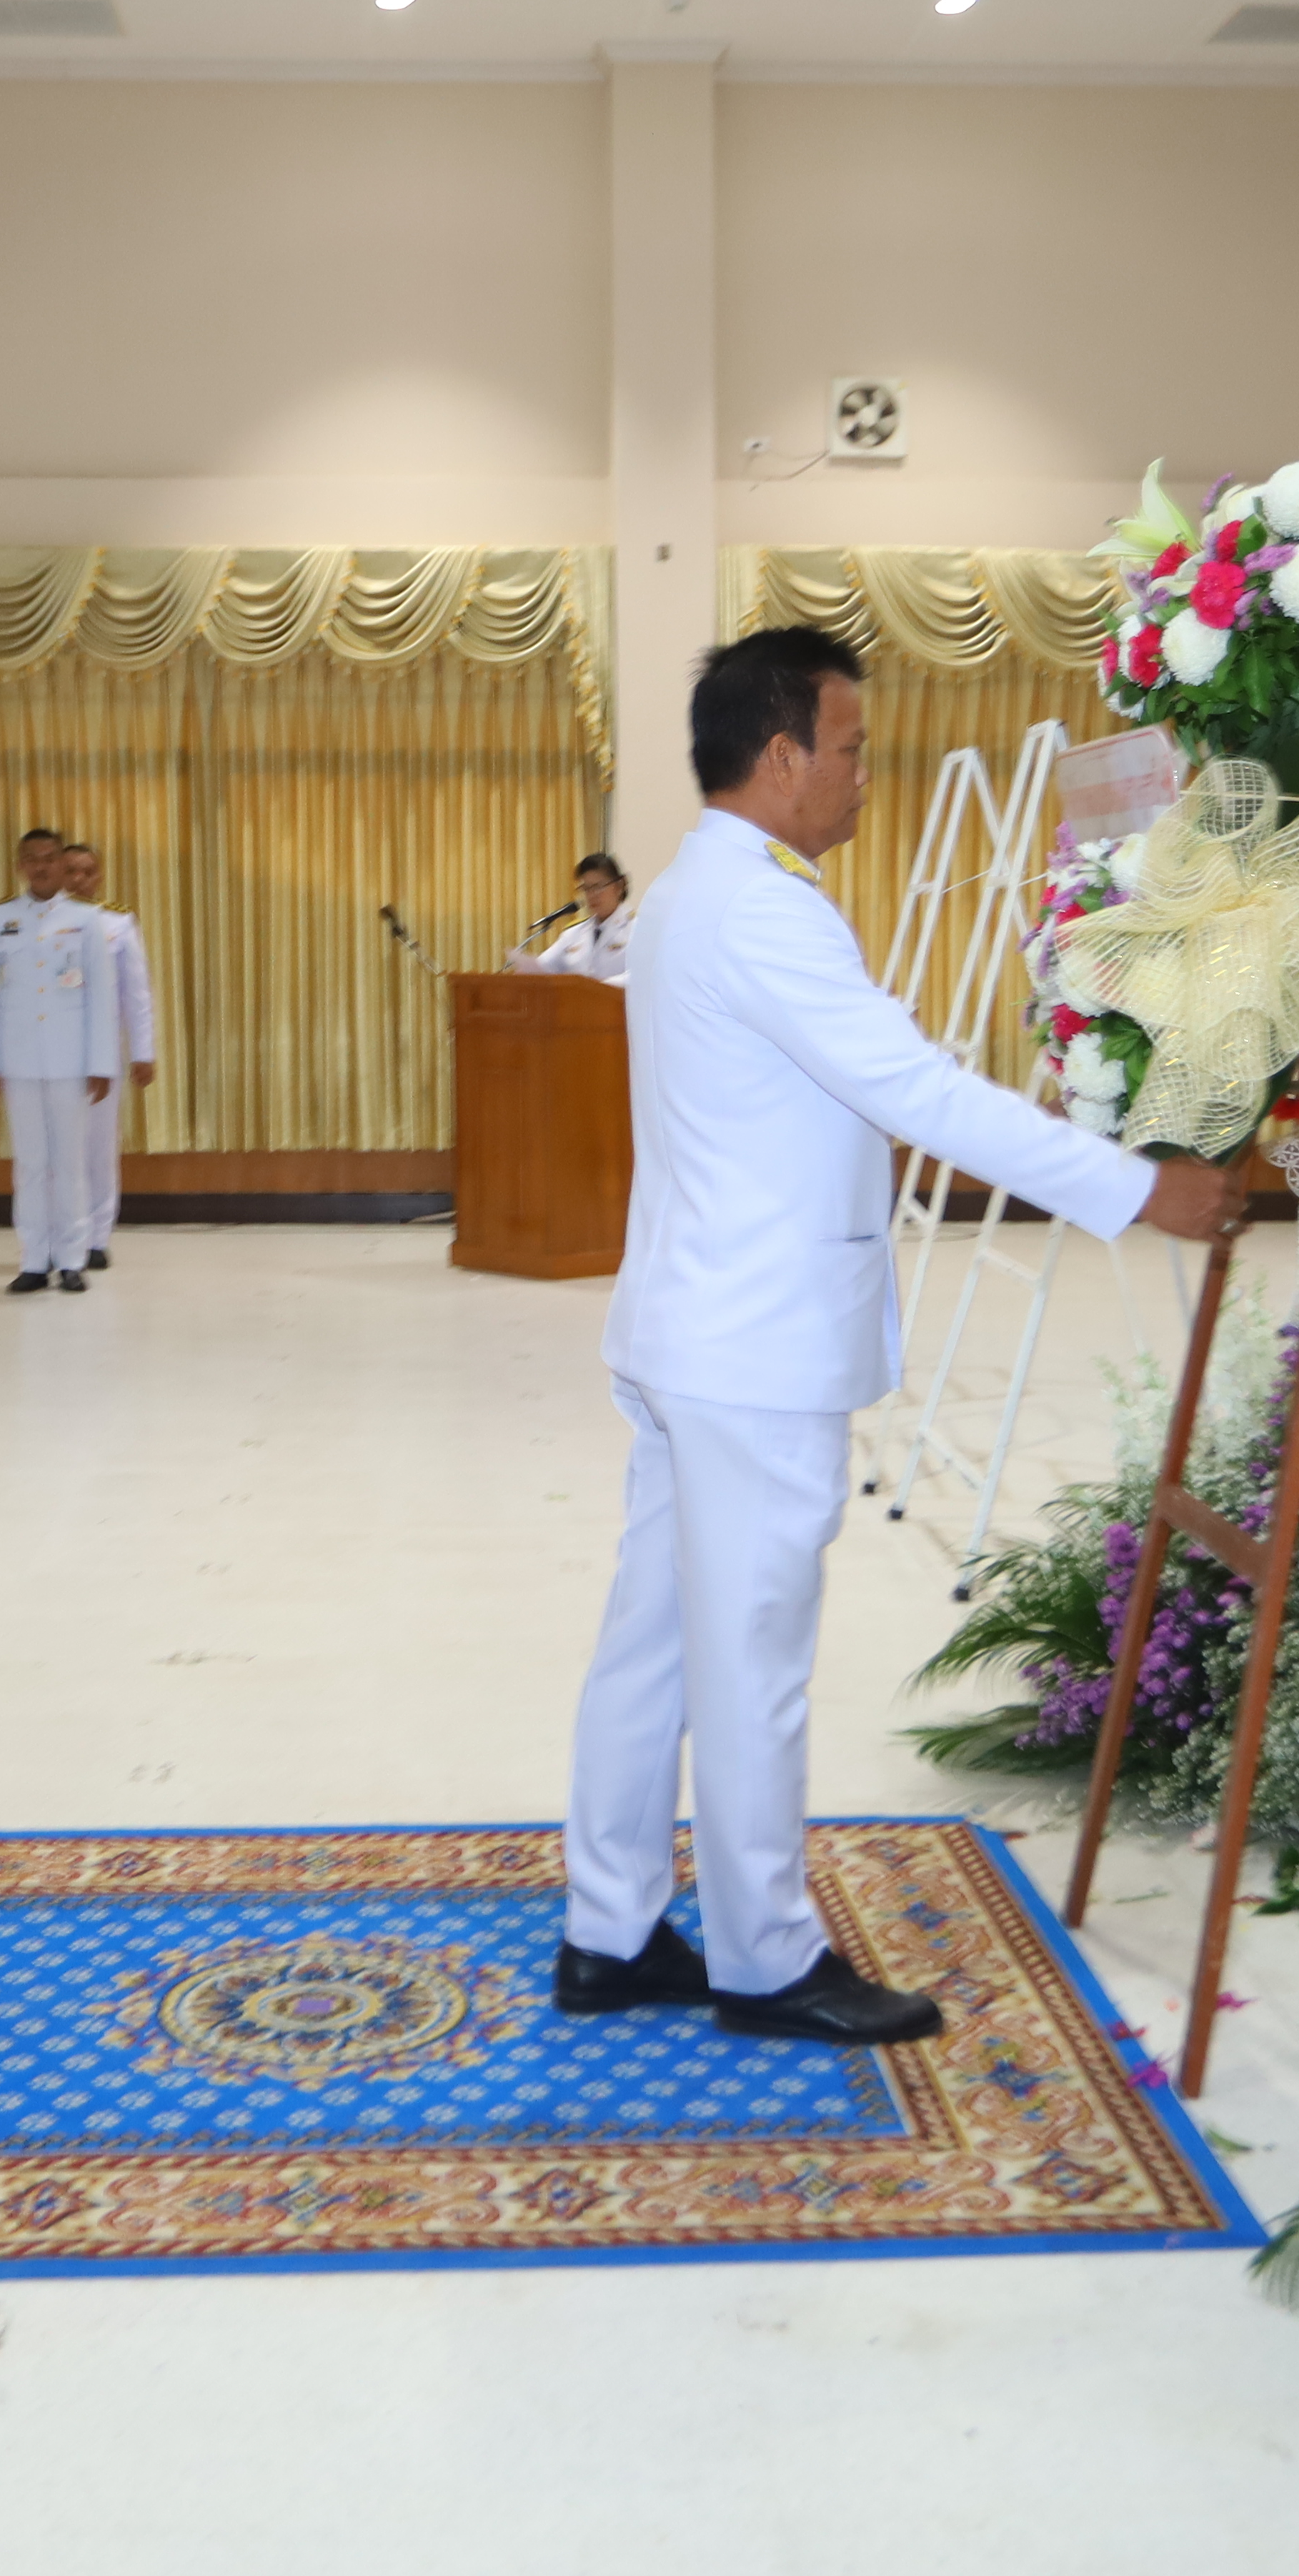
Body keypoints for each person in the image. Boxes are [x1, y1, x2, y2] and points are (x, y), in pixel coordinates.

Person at [558, 629, 1232, 2046]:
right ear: (783, 756)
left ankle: (608, 1931)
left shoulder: (691, 890)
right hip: (750, 1348)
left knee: (653, 1640)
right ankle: (763, 1961)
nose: (868, 773)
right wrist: (1134, 1189)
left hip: (689, 1326)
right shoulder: (765, 910)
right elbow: (920, 1093)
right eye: (852, 748)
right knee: (748, 1659)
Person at [0, 826, 113, 1296]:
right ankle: (34, 1259)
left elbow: (100, 997)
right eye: (32, 859)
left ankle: (72, 1259)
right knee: (29, 1165)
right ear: (20, 866)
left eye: (50, 858)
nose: (41, 866)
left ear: (60, 863)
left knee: (70, 1163)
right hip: (20, 1060)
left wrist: (102, 1062)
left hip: (71, 1061)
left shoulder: (86, 920)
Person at [55, 838, 157, 1270]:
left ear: (99, 876)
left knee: (98, 1148)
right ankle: (61, 1236)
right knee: (57, 1150)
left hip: (101, 1053)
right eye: (71, 870)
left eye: (88, 871)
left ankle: (97, 1237)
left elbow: (137, 994)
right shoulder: (38, 922)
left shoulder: (117, 924)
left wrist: (143, 1052)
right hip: (51, 1052)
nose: (79, 879)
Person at [519, 852, 636, 982]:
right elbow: (541, 968)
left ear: (619, 886)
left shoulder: (639, 928)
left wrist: (597, 988)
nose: (591, 895)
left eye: (598, 887)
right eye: (586, 889)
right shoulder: (574, 933)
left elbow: (642, 975)